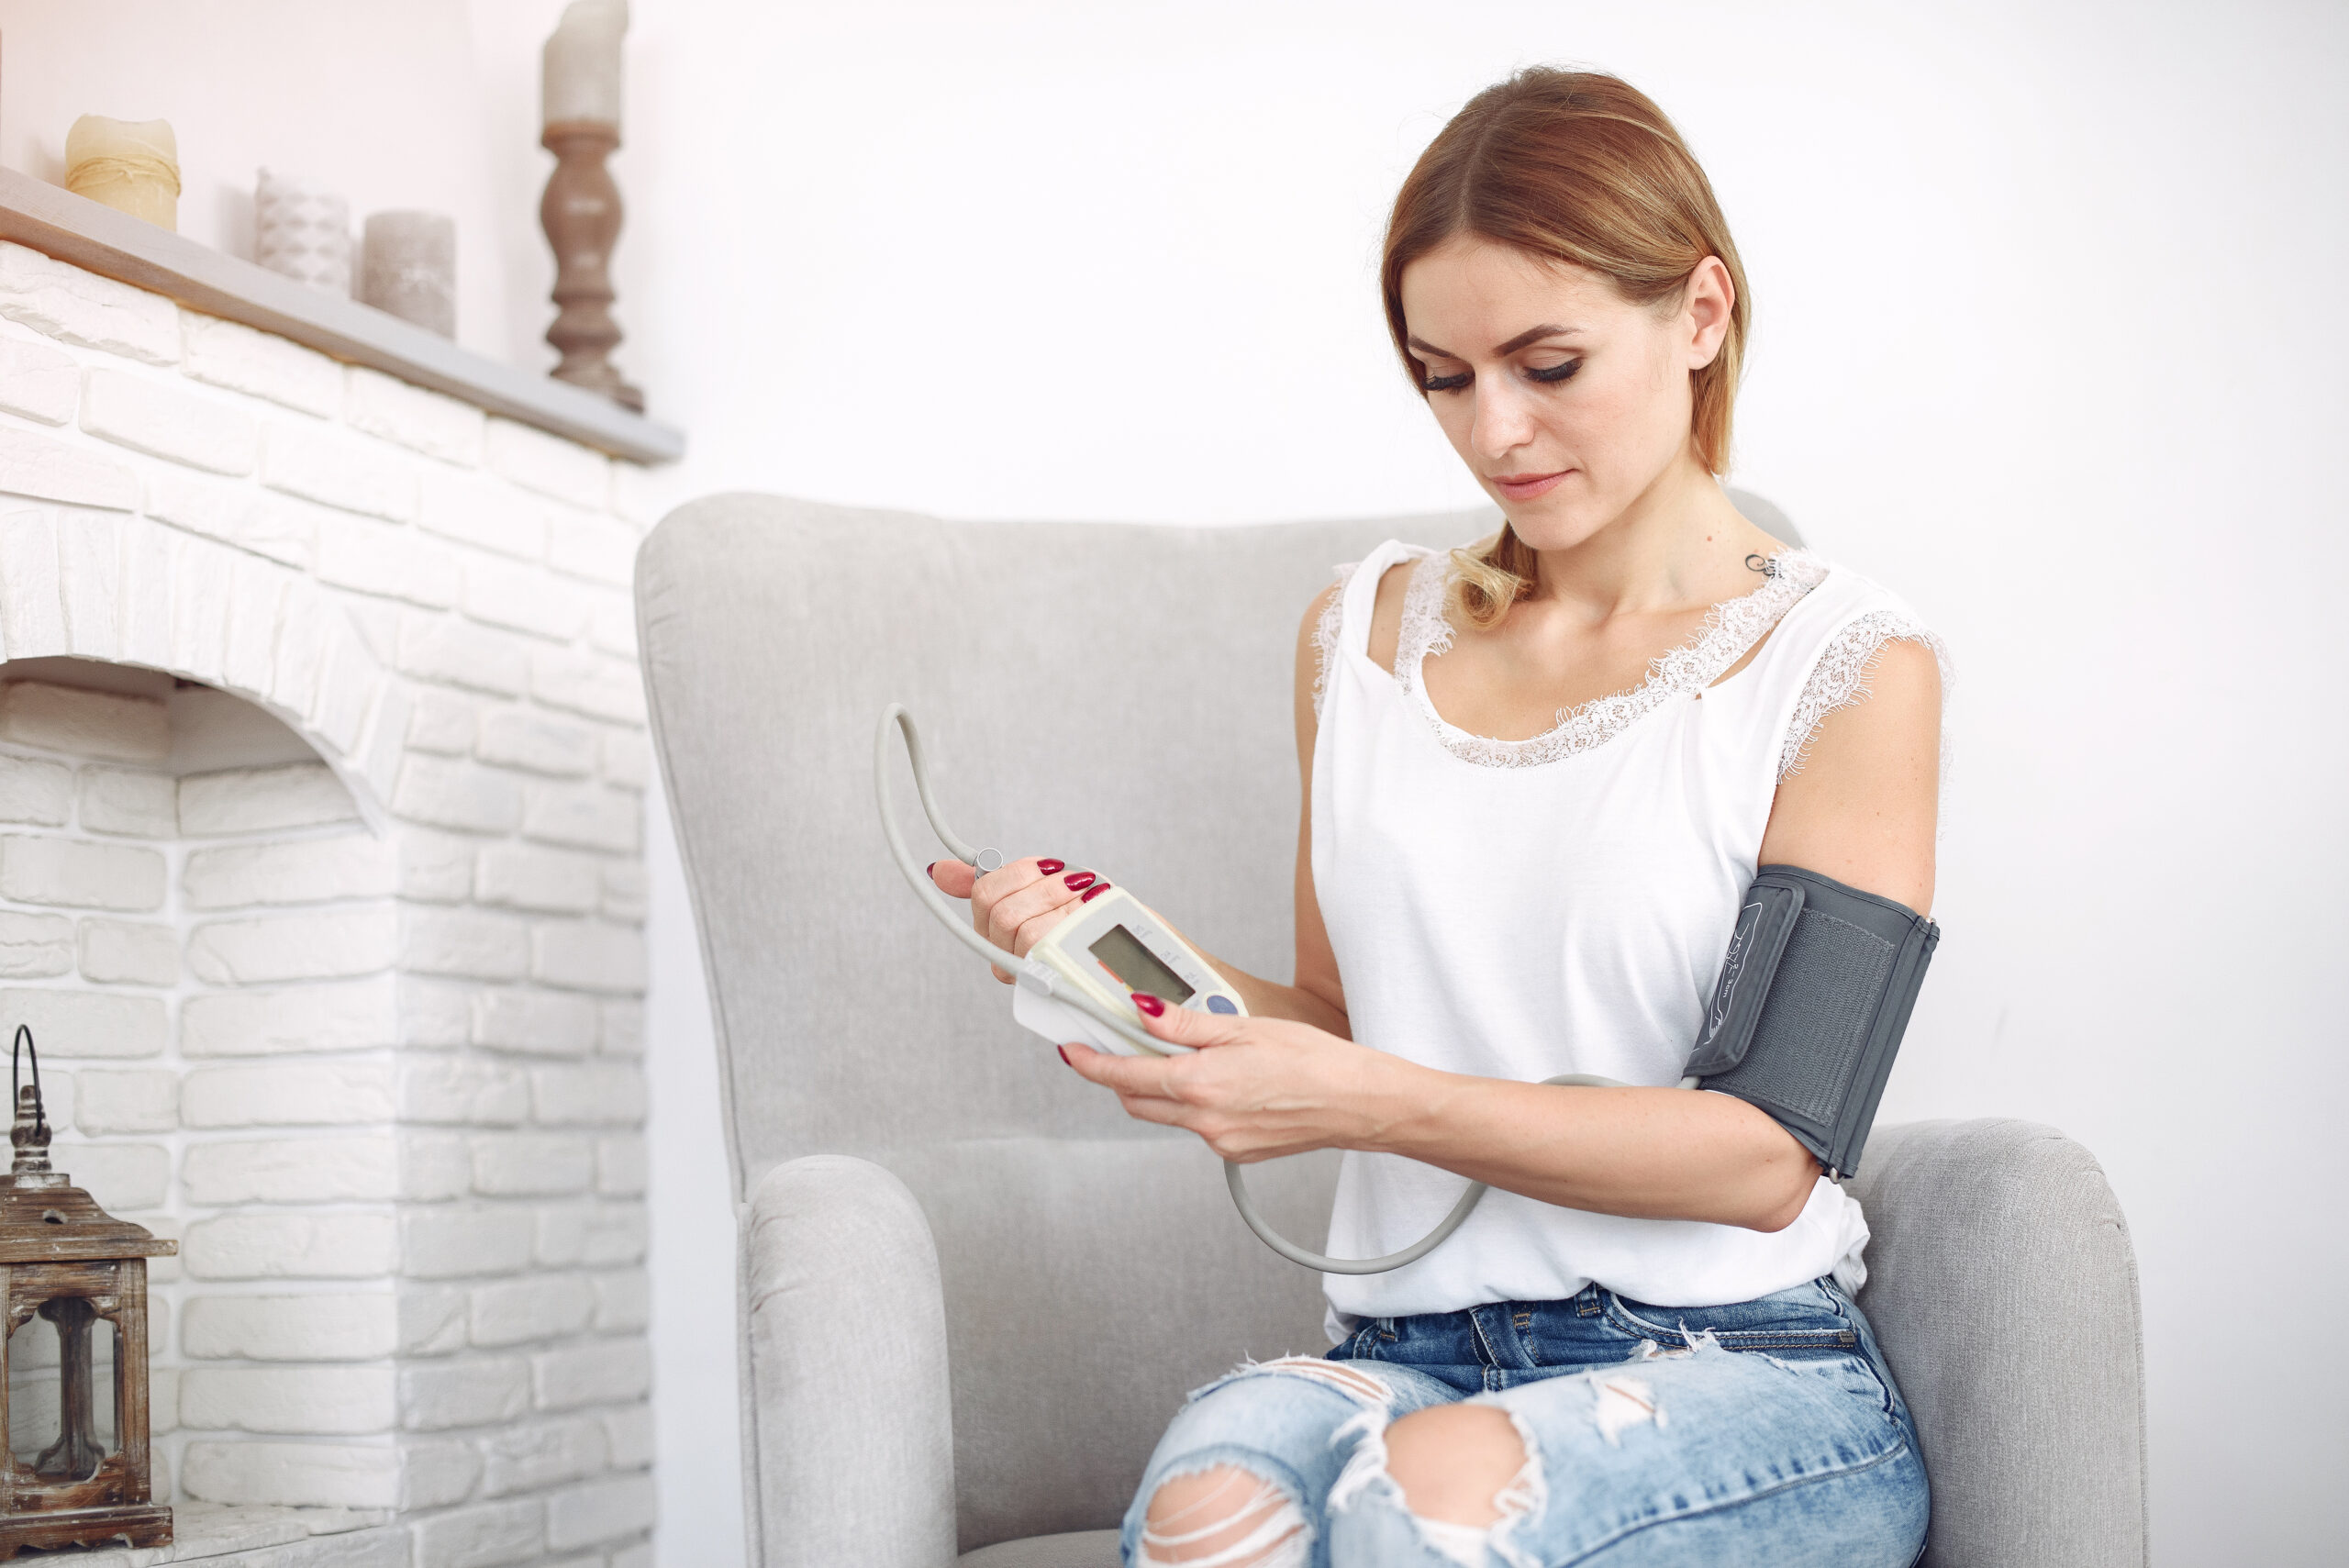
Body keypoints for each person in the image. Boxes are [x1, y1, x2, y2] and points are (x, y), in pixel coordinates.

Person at [930, 66, 1943, 1568]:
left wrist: (1365, 1103)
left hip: (1736, 1364)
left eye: (1547, 362)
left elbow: (1766, 1153)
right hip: (1410, 1345)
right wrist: (1112, 962)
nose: (1497, 431)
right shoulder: (1363, 638)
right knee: (1215, 1515)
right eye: (1446, 376)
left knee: (1428, 1502)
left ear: (1702, 316)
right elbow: (1336, 1013)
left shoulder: (1843, 665)